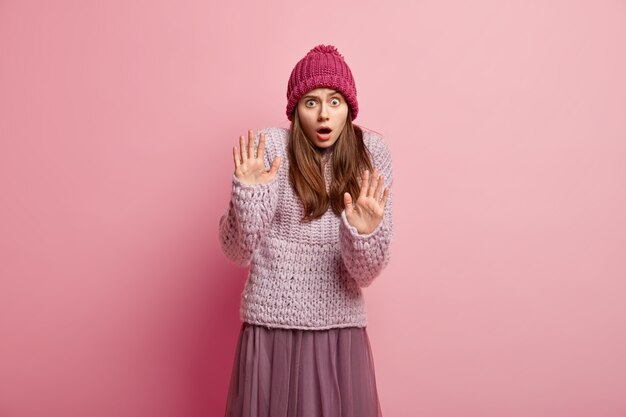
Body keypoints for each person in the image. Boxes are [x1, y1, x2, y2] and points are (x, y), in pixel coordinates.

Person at [218, 44, 393, 417]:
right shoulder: (269, 149)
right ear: (295, 110)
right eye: (311, 102)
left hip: (339, 332)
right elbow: (236, 252)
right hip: (271, 330)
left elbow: (366, 274)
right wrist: (248, 196)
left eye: (334, 101)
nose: (324, 113)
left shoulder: (371, 154)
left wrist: (362, 233)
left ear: (349, 107)